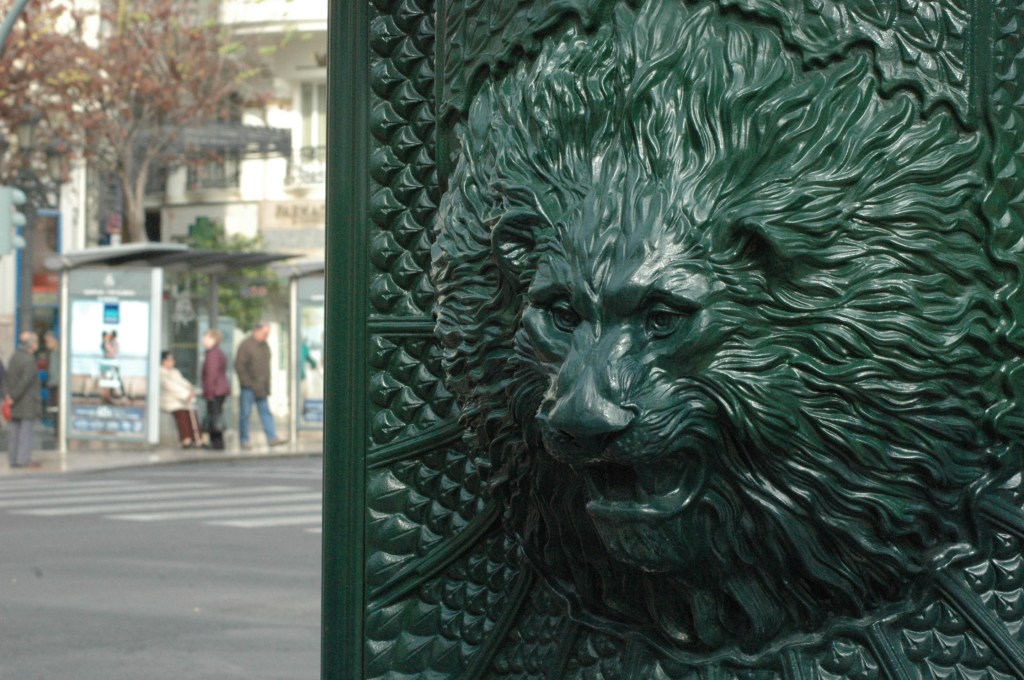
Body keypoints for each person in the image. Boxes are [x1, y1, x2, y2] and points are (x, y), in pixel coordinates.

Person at [235, 321, 286, 449]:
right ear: (257, 331)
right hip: (249, 387)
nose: (266, 336)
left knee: (265, 412)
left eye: (267, 334)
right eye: (264, 333)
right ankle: (244, 440)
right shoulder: (246, 345)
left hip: (262, 387)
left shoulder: (264, 346)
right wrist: (247, 383)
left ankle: (272, 437)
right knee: (245, 414)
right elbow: (239, 366)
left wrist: (266, 385)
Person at [5, 331, 42, 468]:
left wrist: (8, 396)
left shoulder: (14, 356)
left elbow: (8, 378)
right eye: (36, 342)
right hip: (26, 402)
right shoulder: (29, 359)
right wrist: (13, 397)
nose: (37, 344)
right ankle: (23, 459)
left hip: (15, 401)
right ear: (31, 345)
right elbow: (25, 382)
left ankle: (13, 459)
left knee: (14, 432)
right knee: (25, 432)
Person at [159, 350, 202, 448]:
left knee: (191, 411)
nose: (172, 362)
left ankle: (197, 438)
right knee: (181, 413)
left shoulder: (175, 372)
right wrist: (186, 394)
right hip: (169, 400)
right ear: (163, 361)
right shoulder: (160, 373)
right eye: (169, 360)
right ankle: (186, 440)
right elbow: (170, 387)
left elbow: (184, 382)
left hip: (181, 400)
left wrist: (191, 389)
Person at [200, 329, 230, 450]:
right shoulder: (217, 352)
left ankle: (217, 443)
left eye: (206, 337)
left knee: (214, 417)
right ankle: (217, 443)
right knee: (216, 416)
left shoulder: (212, 354)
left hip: (215, 390)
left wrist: (209, 391)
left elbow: (211, 374)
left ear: (213, 339)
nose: (203, 340)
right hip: (219, 390)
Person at [43, 331, 59, 430]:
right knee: (53, 408)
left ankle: (57, 429)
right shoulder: (52, 353)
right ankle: (55, 428)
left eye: (47, 341)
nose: (46, 344)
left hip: (57, 385)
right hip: (52, 384)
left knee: (56, 408)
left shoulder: (59, 352)